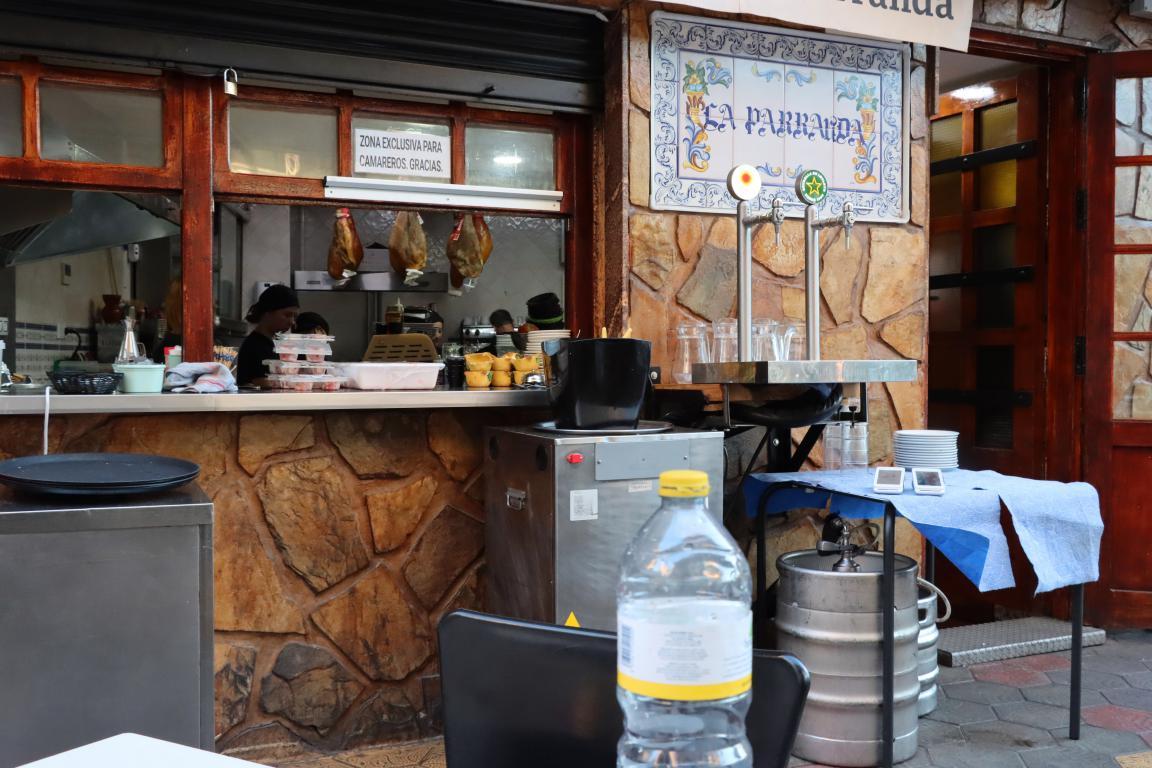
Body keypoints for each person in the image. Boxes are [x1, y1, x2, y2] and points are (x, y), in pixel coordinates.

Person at [236, 284, 300, 388]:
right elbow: (263, 383)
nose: (292, 322)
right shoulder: (255, 346)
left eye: (295, 316)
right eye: (287, 315)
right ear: (268, 312)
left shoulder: (276, 344)